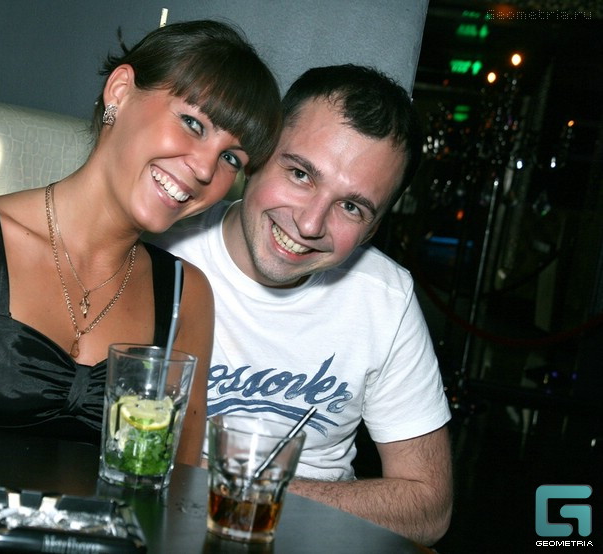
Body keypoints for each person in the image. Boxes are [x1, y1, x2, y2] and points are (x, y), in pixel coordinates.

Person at [0, 20, 282, 468]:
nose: (204, 169)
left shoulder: (188, 294)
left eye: (230, 158)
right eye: (192, 123)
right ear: (120, 91)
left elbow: (176, 486)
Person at [151, 64, 453, 544]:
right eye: (300, 174)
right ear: (256, 158)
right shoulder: (159, 253)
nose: (310, 224)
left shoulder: (385, 297)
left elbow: (430, 506)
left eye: (351, 206)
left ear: (373, 230)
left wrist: (252, 491)